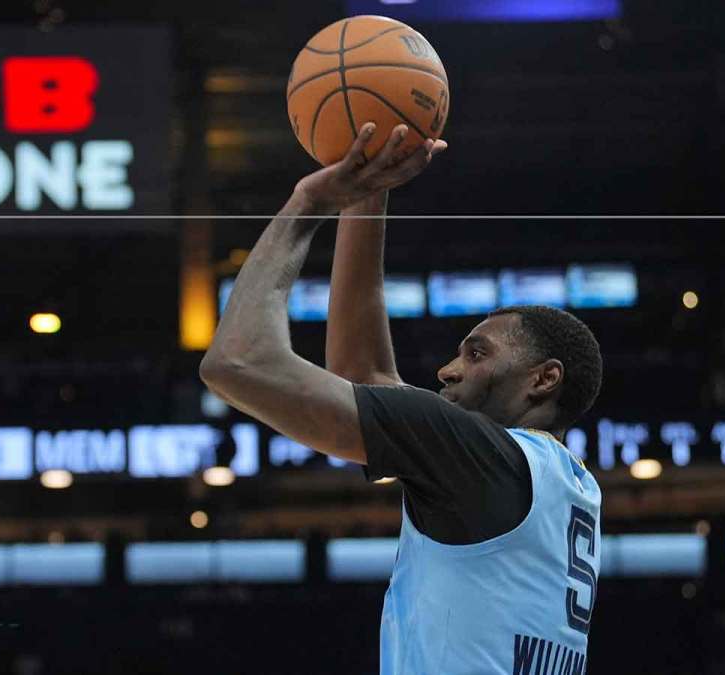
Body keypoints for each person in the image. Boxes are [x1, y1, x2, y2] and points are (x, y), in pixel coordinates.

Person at [200, 123, 603, 675]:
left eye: (477, 354)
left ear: (543, 379)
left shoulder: (485, 459)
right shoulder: (564, 481)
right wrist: (371, 185)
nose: (448, 369)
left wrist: (309, 201)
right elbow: (363, 377)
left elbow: (237, 361)